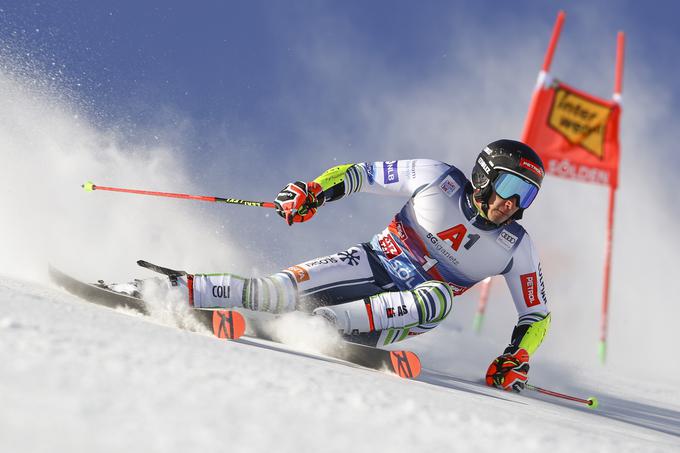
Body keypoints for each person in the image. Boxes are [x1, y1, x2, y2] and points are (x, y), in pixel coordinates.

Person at [174, 139, 550, 392]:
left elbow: (537, 315)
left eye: (527, 196)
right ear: (485, 177)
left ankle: (325, 326)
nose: (513, 203)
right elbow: (362, 174)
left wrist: (516, 357)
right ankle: (177, 289)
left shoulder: (515, 246)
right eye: (510, 187)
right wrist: (315, 191)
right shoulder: (437, 178)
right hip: (369, 262)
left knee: (438, 296)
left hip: (399, 316)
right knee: (274, 292)